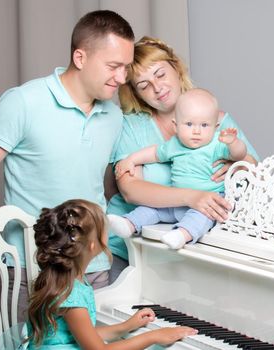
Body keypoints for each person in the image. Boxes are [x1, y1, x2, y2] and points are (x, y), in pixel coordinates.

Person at [0, 10, 135, 320]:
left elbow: (109, 184)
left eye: (126, 67)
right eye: (113, 66)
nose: (122, 78)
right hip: (32, 267)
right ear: (80, 57)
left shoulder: (113, 116)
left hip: (94, 266)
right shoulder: (23, 102)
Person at [105, 36, 259, 283]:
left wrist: (238, 163)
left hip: (194, 252)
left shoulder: (218, 121)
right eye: (144, 85)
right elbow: (131, 191)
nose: (157, 87)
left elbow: (256, 174)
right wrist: (190, 197)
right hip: (130, 251)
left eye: (160, 74)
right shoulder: (131, 126)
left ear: (176, 68)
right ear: (136, 93)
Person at [26, 199, 197, 349]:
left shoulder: (67, 279)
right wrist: (153, 336)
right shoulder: (71, 295)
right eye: (104, 229)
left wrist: (125, 327)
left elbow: (86, 335)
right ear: (93, 245)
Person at [108, 88, 247, 249]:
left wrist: (233, 143)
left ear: (215, 126)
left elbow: (239, 155)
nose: (196, 131)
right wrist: (131, 160)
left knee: (203, 217)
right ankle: (129, 224)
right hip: (176, 200)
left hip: (208, 201)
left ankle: (182, 234)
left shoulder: (216, 144)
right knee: (150, 208)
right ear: (176, 126)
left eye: (204, 125)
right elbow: (154, 153)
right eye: (189, 124)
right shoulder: (175, 144)